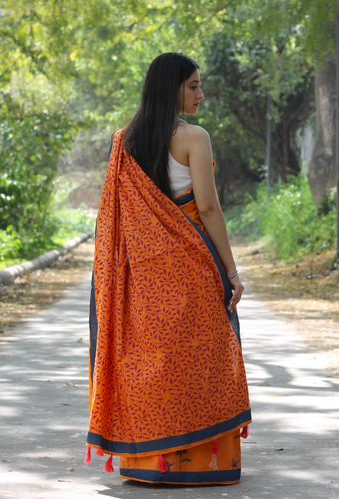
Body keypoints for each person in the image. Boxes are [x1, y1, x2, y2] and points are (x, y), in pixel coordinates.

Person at [85, 52, 251, 485]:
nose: (201, 93)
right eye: (193, 85)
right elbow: (209, 209)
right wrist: (232, 272)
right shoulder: (194, 137)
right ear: (172, 87)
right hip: (193, 268)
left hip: (140, 278)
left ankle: (148, 464)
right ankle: (201, 463)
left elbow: (113, 221)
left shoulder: (123, 140)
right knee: (202, 359)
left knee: (151, 362)